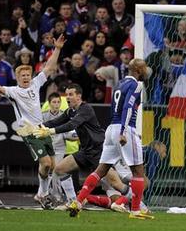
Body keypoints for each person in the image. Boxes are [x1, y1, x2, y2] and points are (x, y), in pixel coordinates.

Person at [0, 35, 65, 208]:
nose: (26, 77)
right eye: (22, 75)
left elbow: (49, 68)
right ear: (17, 77)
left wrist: (57, 49)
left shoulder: (35, 84)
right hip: (28, 130)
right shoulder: (13, 91)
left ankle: (41, 194)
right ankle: (44, 194)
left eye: (28, 74)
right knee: (46, 163)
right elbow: (0, 89)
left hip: (41, 129)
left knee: (52, 166)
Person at [64, 59, 152, 219]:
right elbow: (128, 107)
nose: (147, 71)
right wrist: (124, 131)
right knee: (138, 171)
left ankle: (77, 201)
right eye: (144, 68)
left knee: (101, 169)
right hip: (125, 129)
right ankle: (136, 210)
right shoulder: (137, 85)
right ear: (138, 69)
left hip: (111, 128)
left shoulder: (120, 84)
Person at [33, 83, 106, 208]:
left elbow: (71, 125)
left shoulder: (86, 109)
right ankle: (73, 201)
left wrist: (50, 131)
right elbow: (55, 121)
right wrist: (37, 127)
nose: (67, 97)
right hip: (85, 151)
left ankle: (136, 202)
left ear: (79, 96)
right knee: (60, 169)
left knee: (114, 184)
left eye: (71, 94)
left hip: (99, 151)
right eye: (66, 94)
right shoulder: (70, 111)